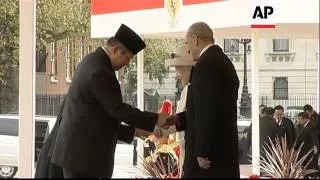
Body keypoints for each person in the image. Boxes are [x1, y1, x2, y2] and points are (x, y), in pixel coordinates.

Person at [50, 24, 169, 178]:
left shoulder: (91, 61)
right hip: (84, 159)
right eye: (128, 58)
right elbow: (118, 110)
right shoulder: (100, 70)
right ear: (117, 50)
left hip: (77, 157)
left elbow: (99, 118)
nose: (126, 64)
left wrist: (134, 131)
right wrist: (156, 119)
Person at [166, 22, 240, 178]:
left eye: (187, 43)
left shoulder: (206, 64)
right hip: (223, 155)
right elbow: (205, 109)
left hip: (210, 163)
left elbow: (206, 111)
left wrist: (202, 151)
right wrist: (174, 121)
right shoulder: (223, 61)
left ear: (195, 39)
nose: (188, 48)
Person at [164, 45, 194, 176]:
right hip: (185, 155)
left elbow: (189, 119)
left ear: (187, 68)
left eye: (178, 70)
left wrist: (162, 127)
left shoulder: (192, 90)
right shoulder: (187, 89)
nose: (177, 76)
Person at [295, 112, 319, 178]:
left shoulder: (311, 126)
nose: (299, 121)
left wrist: (315, 148)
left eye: (300, 119)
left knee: (311, 170)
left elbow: (314, 138)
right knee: (306, 170)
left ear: (305, 119)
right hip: (305, 153)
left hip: (310, 153)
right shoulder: (304, 127)